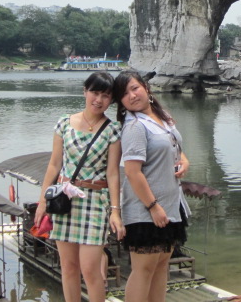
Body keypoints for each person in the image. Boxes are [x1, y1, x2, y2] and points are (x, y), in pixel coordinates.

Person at [34, 71, 125, 302]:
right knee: (68, 267)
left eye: (105, 95)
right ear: (85, 91)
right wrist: (42, 201)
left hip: (95, 201)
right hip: (65, 201)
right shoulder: (64, 123)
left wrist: (115, 211)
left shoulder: (113, 129)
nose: (99, 100)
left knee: (91, 270)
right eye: (95, 93)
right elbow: (54, 164)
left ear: (111, 100)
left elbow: (113, 173)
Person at [112, 70, 191, 302]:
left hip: (170, 205)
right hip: (147, 210)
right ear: (121, 102)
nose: (132, 96)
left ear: (146, 87)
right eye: (124, 94)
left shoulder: (161, 117)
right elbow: (132, 172)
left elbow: (174, 147)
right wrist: (153, 206)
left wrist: (184, 161)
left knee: (161, 267)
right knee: (144, 270)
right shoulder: (135, 126)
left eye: (135, 88)